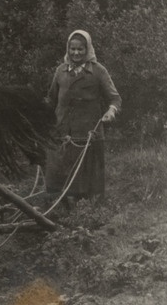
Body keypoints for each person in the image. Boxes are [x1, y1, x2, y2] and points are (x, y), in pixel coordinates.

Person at [44, 29, 121, 209]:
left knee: (88, 186)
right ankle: (58, 212)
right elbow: (51, 99)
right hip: (61, 134)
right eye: (73, 49)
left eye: (80, 49)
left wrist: (111, 111)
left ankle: (89, 218)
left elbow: (115, 98)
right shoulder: (61, 71)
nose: (76, 53)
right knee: (57, 179)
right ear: (68, 49)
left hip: (88, 136)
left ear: (88, 49)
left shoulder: (98, 71)